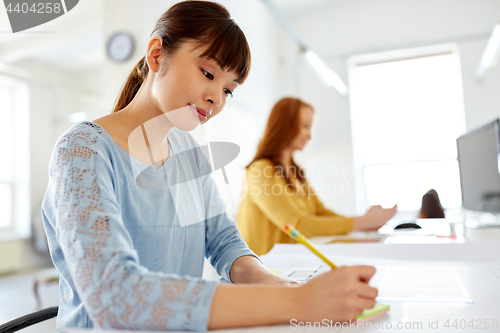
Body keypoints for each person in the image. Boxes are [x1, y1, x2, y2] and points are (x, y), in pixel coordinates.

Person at [42, 2, 378, 331]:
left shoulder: (188, 151)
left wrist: (269, 282)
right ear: (157, 54)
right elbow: (115, 297)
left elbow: (222, 241)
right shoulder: (83, 151)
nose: (217, 99)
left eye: (228, 90)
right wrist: (299, 304)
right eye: (208, 73)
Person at [237, 97, 397, 255]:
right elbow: (297, 226)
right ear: (285, 126)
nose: (309, 136)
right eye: (305, 126)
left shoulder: (296, 172)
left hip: (292, 263)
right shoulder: (260, 171)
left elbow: (321, 212)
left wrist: (364, 223)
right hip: (264, 269)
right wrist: (363, 222)